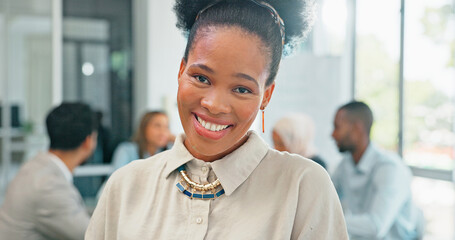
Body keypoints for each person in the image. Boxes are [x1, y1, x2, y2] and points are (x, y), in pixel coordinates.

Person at [86, 0, 348, 239]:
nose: (214, 104)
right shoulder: (126, 186)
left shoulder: (303, 187)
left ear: (266, 95)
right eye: (201, 78)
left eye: (242, 89)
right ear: (181, 70)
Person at [0, 102, 98, 240]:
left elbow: (75, 211)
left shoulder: (36, 167)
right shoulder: (48, 185)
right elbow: (93, 235)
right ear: (88, 141)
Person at [331, 101, 422, 239]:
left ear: (357, 128)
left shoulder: (389, 168)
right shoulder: (345, 165)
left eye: (337, 127)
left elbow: (375, 226)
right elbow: (326, 198)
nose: (333, 135)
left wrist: (328, 219)